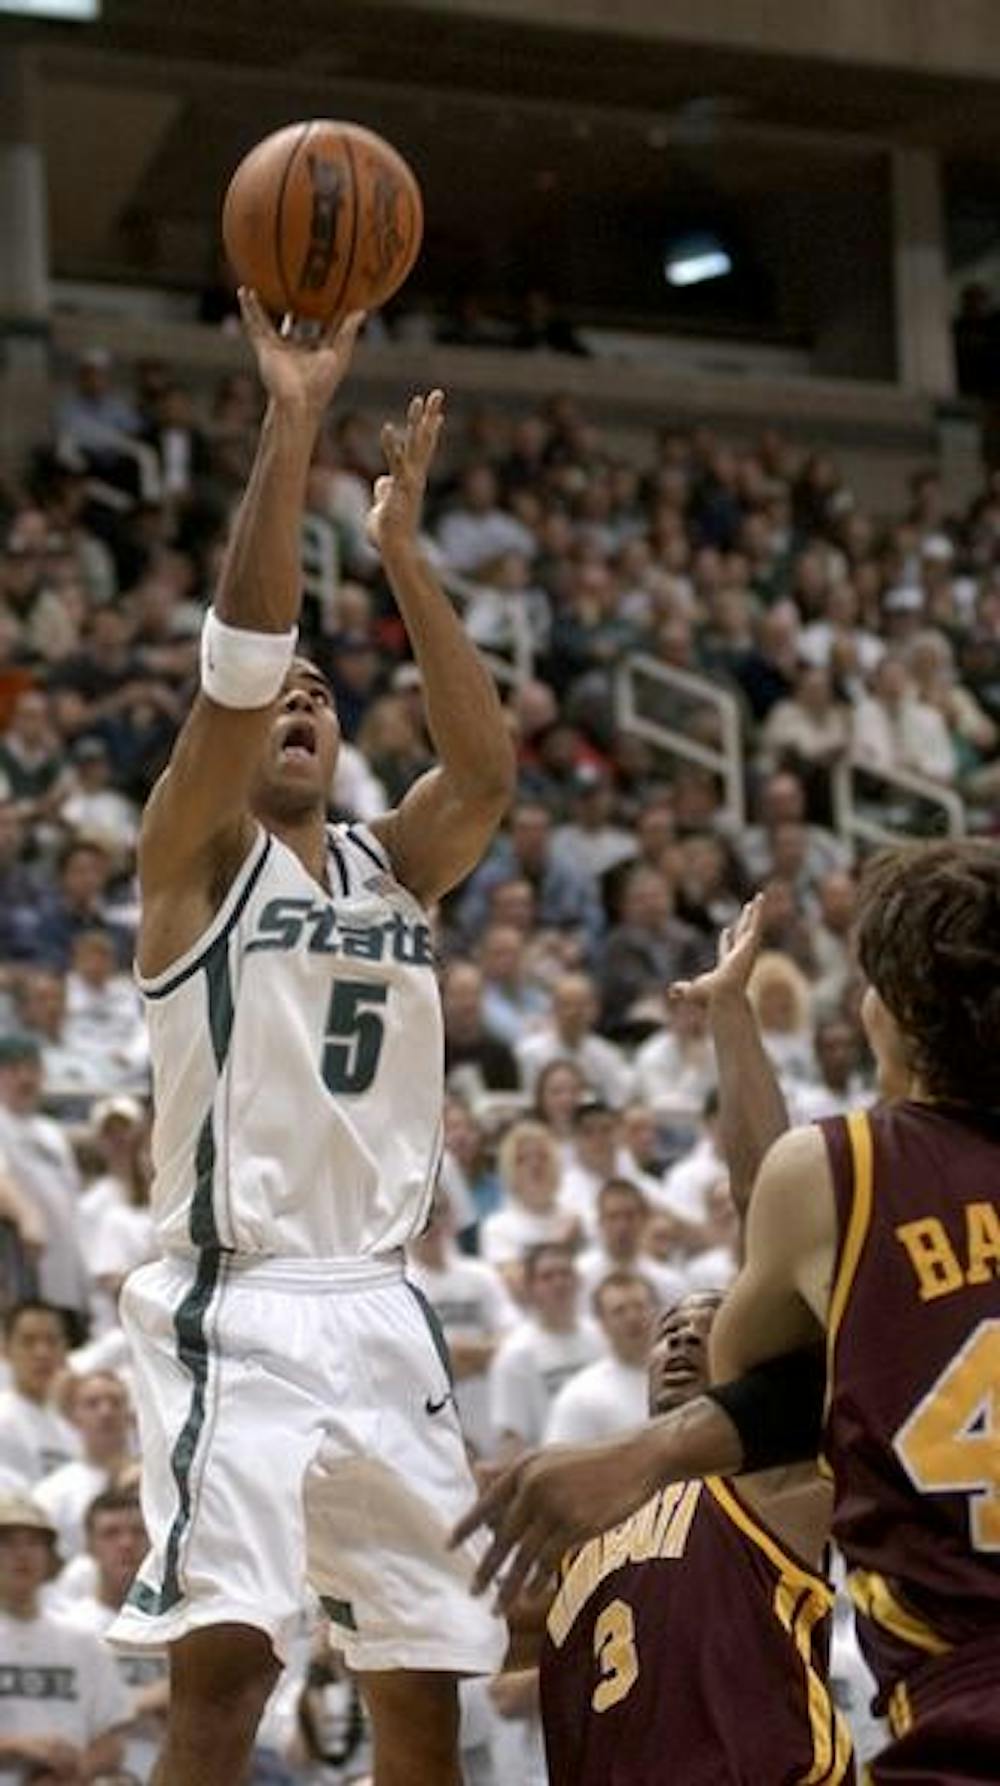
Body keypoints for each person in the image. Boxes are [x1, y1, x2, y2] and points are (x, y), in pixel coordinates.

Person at [106, 295, 514, 1786]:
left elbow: (483, 766)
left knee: (423, 1683)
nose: (301, 703)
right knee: (231, 1669)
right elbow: (241, 654)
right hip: (242, 1294)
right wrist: (294, 421)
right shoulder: (198, 857)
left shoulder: (391, 865)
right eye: (281, 695)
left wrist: (404, 556)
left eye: (326, 698)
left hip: (382, 1300)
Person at [457, 845, 1000, 1785]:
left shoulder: (854, 1171)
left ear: (898, 1013)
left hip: (961, 1709)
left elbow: (782, 1380)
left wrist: (652, 1450)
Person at [541, 1292, 853, 1786]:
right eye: (669, 1331)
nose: (684, 1335)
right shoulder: (586, 1522)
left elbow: (842, 1380)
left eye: (711, 1327)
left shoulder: (771, 1480)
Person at [0, 1491, 130, 1780]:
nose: (22, 1554)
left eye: (33, 1543)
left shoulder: (83, 1642)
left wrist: (75, 1771)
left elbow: (113, 1740)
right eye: (7, 1543)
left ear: (49, 1556)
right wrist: (18, 1746)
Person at [544, 1272, 658, 1445]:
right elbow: (559, 1466)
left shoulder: (687, 1375)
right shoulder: (581, 1396)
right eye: (619, 1311)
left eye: (640, 1306)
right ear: (602, 1323)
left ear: (657, 1312)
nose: (633, 1318)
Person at [0, 1301, 79, 1486]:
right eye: (28, 1342)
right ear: (5, 1349)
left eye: (52, 1341)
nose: (42, 1353)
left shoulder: (74, 1426)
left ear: (66, 1349)